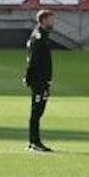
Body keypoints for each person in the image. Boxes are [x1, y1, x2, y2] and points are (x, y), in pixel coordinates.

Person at [23, 9, 55, 152]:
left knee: (39, 110)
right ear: (43, 20)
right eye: (51, 20)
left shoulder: (43, 36)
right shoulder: (39, 37)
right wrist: (28, 77)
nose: (53, 22)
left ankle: (36, 141)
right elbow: (33, 60)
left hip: (43, 79)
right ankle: (33, 142)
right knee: (36, 111)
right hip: (38, 80)